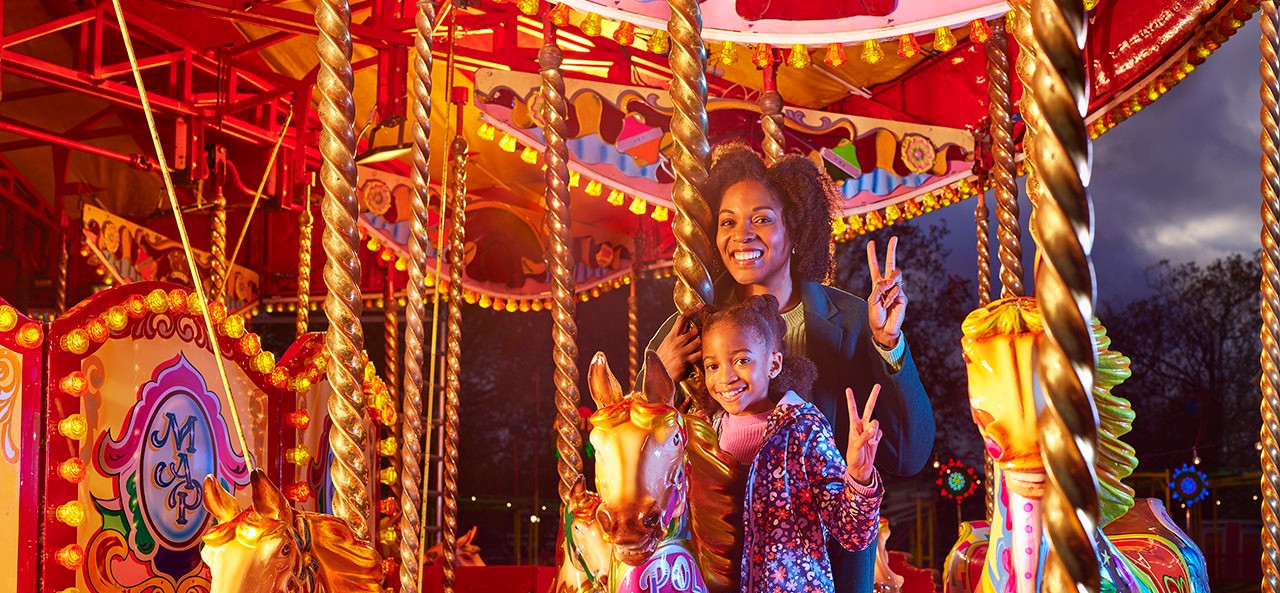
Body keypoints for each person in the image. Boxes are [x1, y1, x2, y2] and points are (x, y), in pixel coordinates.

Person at [648, 143, 934, 593]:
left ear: (795, 231)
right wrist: (659, 380)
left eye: (762, 219)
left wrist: (887, 344)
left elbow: (910, 453)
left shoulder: (853, 319)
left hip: (825, 562)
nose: (742, 235)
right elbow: (642, 450)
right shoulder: (693, 326)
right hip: (720, 559)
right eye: (728, 222)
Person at [699, 294, 883, 593]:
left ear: (773, 364)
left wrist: (859, 478)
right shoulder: (706, 432)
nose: (726, 377)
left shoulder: (802, 428)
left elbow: (853, 533)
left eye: (742, 360)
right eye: (712, 365)